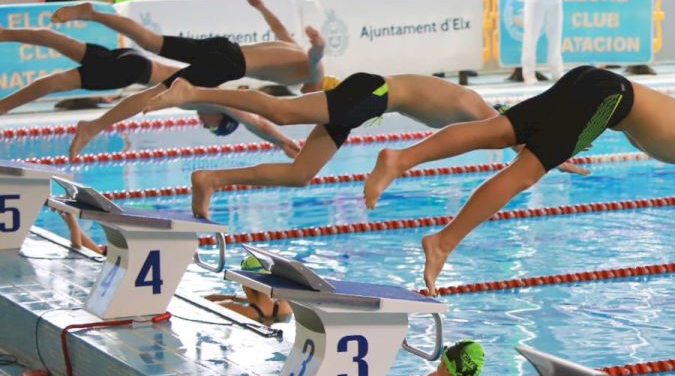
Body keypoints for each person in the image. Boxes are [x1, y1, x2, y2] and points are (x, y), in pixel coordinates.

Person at [363, 65, 675, 293]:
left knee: (499, 131)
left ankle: (401, 159)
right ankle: (443, 242)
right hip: (607, 99)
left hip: (594, 84)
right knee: (523, 174)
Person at [143, 69, 501, 219]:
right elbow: (512, 136)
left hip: (368, 104)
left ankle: (212, 179)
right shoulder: (479, 110)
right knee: (282, 112)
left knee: (300, 174)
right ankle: (193, 91)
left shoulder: (478, 118)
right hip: (372, 93)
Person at [52, 0, 324, 158]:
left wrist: (259, 5)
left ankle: (91, 13)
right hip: (229, 65)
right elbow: (258, 120)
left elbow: (278, 27)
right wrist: (283, 142)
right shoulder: (313, 75)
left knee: (150, 40)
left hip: (224, 48)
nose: (303, 95)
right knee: (155, 95)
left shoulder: (295, 51)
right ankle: (92, 127)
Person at [0, 27, 299, 151]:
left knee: (58, 44)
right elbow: (255, 121)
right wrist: (284, 142)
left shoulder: (204, 93)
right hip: (133, 70)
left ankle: (5, 33)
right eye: (211, 127)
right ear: (220, 118)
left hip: (133, 60)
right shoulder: (214, 100)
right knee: (55, 81)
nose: (203, 124)